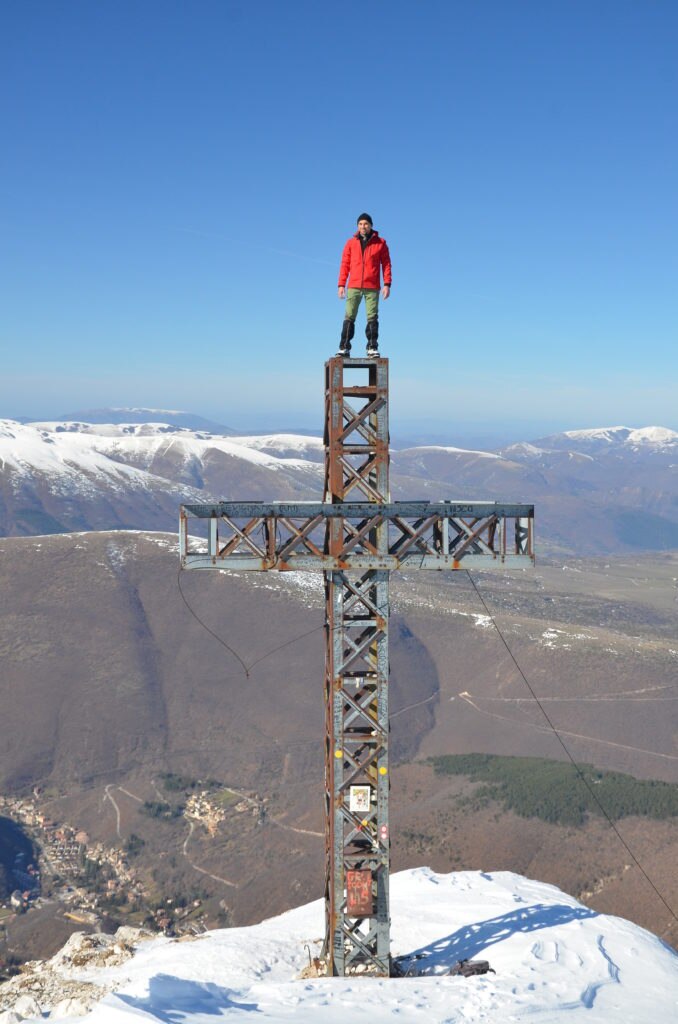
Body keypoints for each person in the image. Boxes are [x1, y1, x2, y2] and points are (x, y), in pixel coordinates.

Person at [337, 213, 392, 357]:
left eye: (366, 224)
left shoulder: (381, 243)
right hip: (354, 285)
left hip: (372, 286)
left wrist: (387, 284)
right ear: (357, 226)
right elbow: (345, 264)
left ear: (371, 226)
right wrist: (341, 284)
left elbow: (386, 264)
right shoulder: (350, 243)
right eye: (360, 224)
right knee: (349, 316)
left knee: (372, 317)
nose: (363, 226)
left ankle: (372, 347)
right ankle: (344, 347)